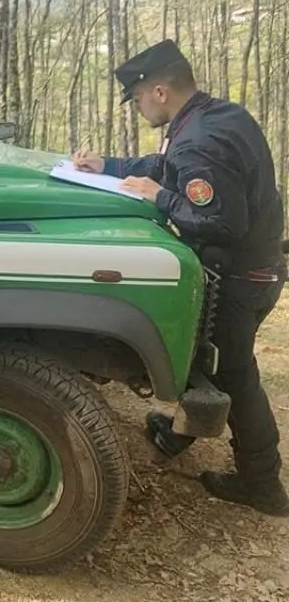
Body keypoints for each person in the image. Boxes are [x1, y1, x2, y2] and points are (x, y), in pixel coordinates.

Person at [72, 38, 289, 516]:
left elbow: (220, 220)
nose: (139, 108)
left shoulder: (201, 139)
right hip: (257, 267)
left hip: (242, 277)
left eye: (140, 98)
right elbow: (165, 166)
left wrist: (160, 198)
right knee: (211, 362)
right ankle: (177, 436)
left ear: (160, 90)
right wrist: (107, 167)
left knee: (234, 372)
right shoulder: (213, 116)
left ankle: (262, 484)